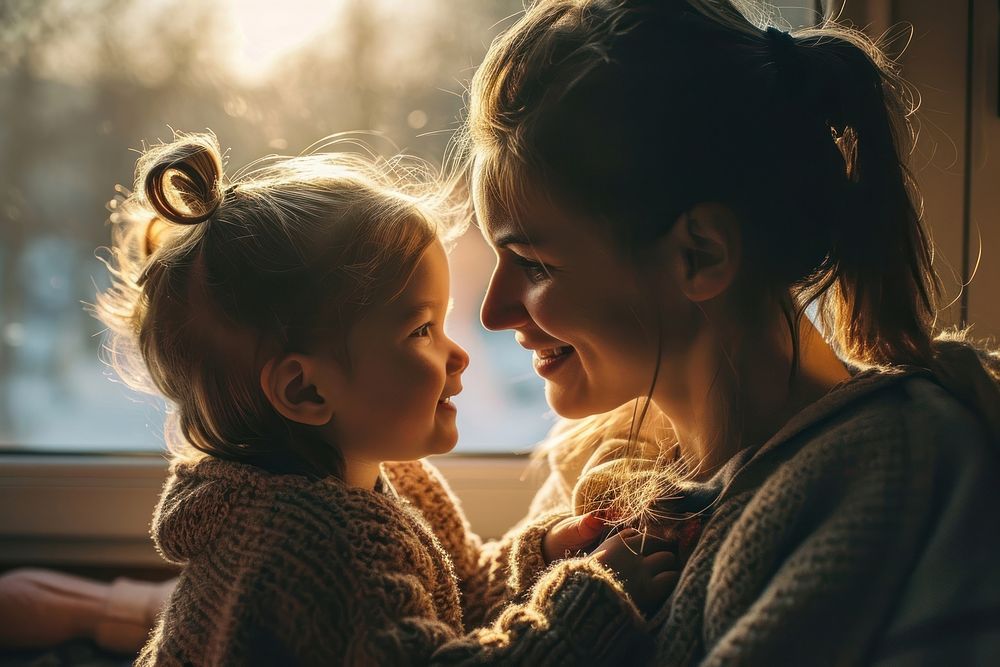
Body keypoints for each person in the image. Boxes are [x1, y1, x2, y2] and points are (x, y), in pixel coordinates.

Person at [459, 0, 1000, 664]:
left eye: (536, 264)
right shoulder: (607, 456)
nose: (493, 312)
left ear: (701, 256)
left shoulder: (882, 474)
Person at [86, 131, 678, 665]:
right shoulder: (313, 548)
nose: (459, 354)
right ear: (307, 389)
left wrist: (546, 552)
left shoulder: (381, 473)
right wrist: (592, 599)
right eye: (422, 330)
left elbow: (459, 591)